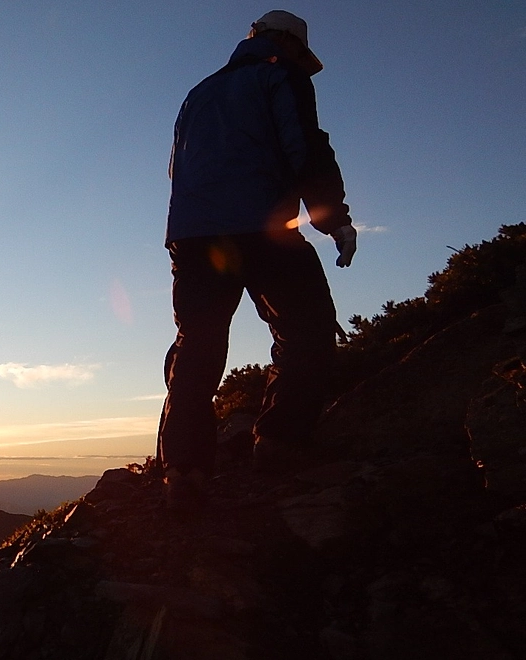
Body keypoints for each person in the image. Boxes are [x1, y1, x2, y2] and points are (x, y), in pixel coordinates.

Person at [158, 10, 357, 507]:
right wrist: (334, 220)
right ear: (289, 43)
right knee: (306, 326)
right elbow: (305, 147)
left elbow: (176, 169)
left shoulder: (197, 93)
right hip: (262, 226)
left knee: (198, 343)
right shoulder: (279, 74)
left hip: (194, 234)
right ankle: (279, 441)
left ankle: (183, 470)